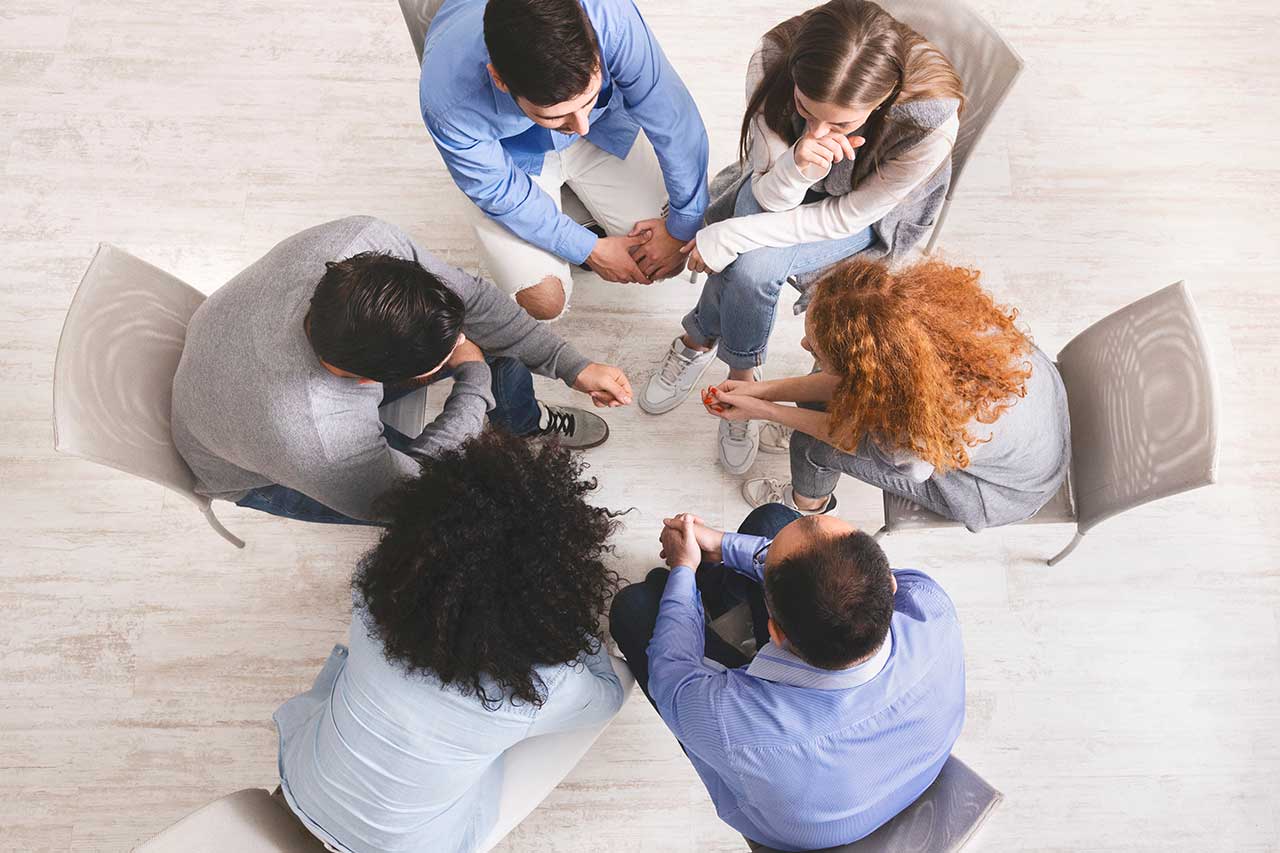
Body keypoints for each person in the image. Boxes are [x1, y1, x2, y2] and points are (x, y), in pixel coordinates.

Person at [640, 0, 963, 477]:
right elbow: (767, 192)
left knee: (750, 265)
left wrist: (730, 233)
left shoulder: (928, 123)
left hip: (866, 219)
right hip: (779, 187)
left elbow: (850, 216)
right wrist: (797, 166)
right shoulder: (772, 60)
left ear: (881, 102)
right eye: (806, 110)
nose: (818, 130)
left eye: (842, 124)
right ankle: (742, 379)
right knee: (752, 257)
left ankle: (702, 342)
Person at [274, 430, 626, 853]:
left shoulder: (372, 600)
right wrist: (573, 633)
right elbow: (607, 695)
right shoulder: (541, 688)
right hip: (408, 846)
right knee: (619, 680)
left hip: (301, 787)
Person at [171, 215, 632, 526]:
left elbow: (470, 300)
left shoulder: (362, 242)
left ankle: (521, 422)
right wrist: (473, 381)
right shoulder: (321, 438)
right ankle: (492, 412)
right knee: (455, 509)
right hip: (257, 470)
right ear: (374, 382)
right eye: (443, 352)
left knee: (489, 345)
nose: (459, 342)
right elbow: (412, 493)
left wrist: (574, 366)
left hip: (235, 361)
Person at [609, 504, 965, 851]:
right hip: (912, 769)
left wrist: (683, 570)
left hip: (798, 837)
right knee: (772, 519)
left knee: (633, 607)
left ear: (775, 634)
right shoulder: (930, 606)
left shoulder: (731, 725)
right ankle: (709, 587)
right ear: (889, 585)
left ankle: (697, 591)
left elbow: (672, 674)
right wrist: (722, 544)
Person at [705, 258, 1070, 532]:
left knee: (810, 448)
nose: (803, 344)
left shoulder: (922, 431)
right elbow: (849, 387)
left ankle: (806, 505)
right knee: (820, 388)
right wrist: (762, 393)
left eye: (814, 346)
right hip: (1037, 415)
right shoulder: (921, 319)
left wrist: (765, 411)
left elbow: (852, 438)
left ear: (867, 369)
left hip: (1002, 489)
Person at [419, 0, 710, 320]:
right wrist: (588, 249)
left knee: (665, 257)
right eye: (556, 117)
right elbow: (500, 191)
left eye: (588, 98)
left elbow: (673, 118)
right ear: (500, 80)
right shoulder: (447, 99)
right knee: (543, 301)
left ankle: (571, 206)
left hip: (607, 128)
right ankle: (570, 216)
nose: (579, 126)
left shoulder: (610, 17)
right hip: (510, 158)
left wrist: (683, 224)